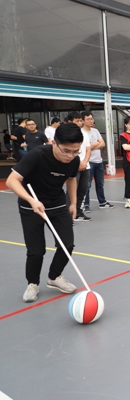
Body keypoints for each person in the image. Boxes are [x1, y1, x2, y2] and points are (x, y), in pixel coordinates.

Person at [6, 123, 84, 303]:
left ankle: (54, 277)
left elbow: (71, 179)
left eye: (75, 151)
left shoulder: (73, 160)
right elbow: (12, 181)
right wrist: (32, 200)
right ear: (54, 143)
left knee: (67, 244)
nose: (70, 156)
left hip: (57, 204)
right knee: (36, 251)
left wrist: (73, 203)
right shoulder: (37, 155)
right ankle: (32, 283)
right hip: (30, 206)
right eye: (66, 151)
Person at [82, 111, 115, 212]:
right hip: (89, 162)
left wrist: (92, 145)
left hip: (98, 161)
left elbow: (102, 144)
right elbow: (85, 148)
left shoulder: (95, 131)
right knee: (87, 185)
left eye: (91, 118)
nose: (91, 121)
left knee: (100, 183)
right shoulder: (81, 132)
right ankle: (86, 204)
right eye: (88, 119)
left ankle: (102, 202)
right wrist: (95, 144)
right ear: (83, 121)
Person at [68, 112, 92, 222]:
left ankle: (78, 212)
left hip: (85, 166)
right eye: (77, 121)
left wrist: (84, 162)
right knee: (71, 191)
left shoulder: (84, 134)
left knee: (82, 190)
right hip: (73, 166)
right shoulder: (66, 134)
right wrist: (78, 163)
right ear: (70, 122)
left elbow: (88, 149)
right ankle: (68, 216)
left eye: (80, 121)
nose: (79, 123)